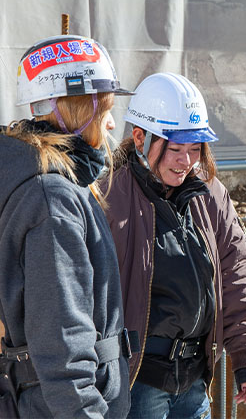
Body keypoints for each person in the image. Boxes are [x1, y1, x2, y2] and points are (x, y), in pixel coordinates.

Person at [102, 72, 246, 418]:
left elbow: (237, 272)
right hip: (138, 383)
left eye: (195, 149)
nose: (186, 161)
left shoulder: (210, 195)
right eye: (175, 148)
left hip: (192, 380)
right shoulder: (109, 197)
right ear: (140, 138)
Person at [0, 34, 134, 417]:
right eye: (104, 107)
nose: (110, 123)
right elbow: (63, 345)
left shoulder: (44, 181)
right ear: (77, 109)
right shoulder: (51, 197)